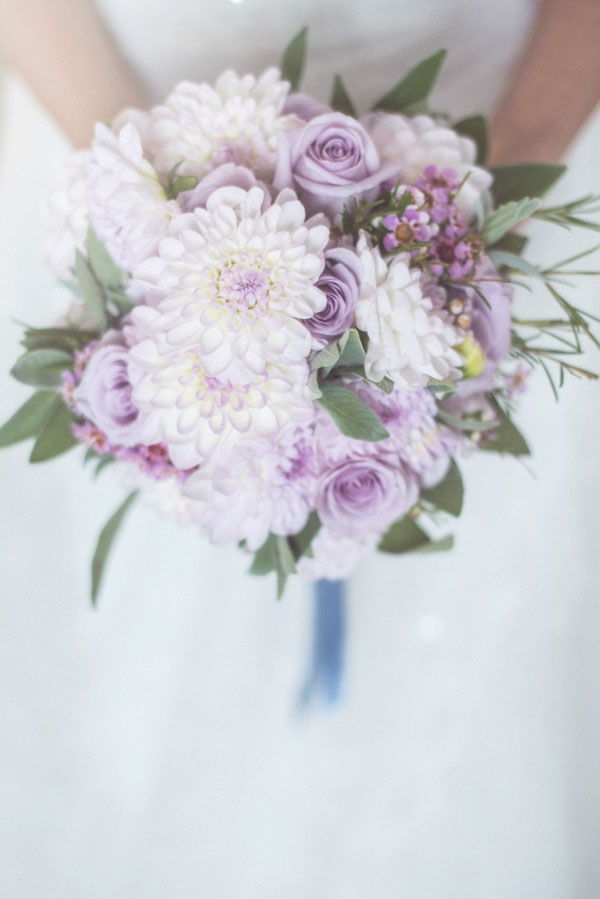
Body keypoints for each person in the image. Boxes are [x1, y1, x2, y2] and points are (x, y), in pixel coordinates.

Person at [0, 2, 599, 896]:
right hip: (114, 118)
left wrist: (472, 237)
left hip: (497, 153)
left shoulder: (474, 229)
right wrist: (143, 213)